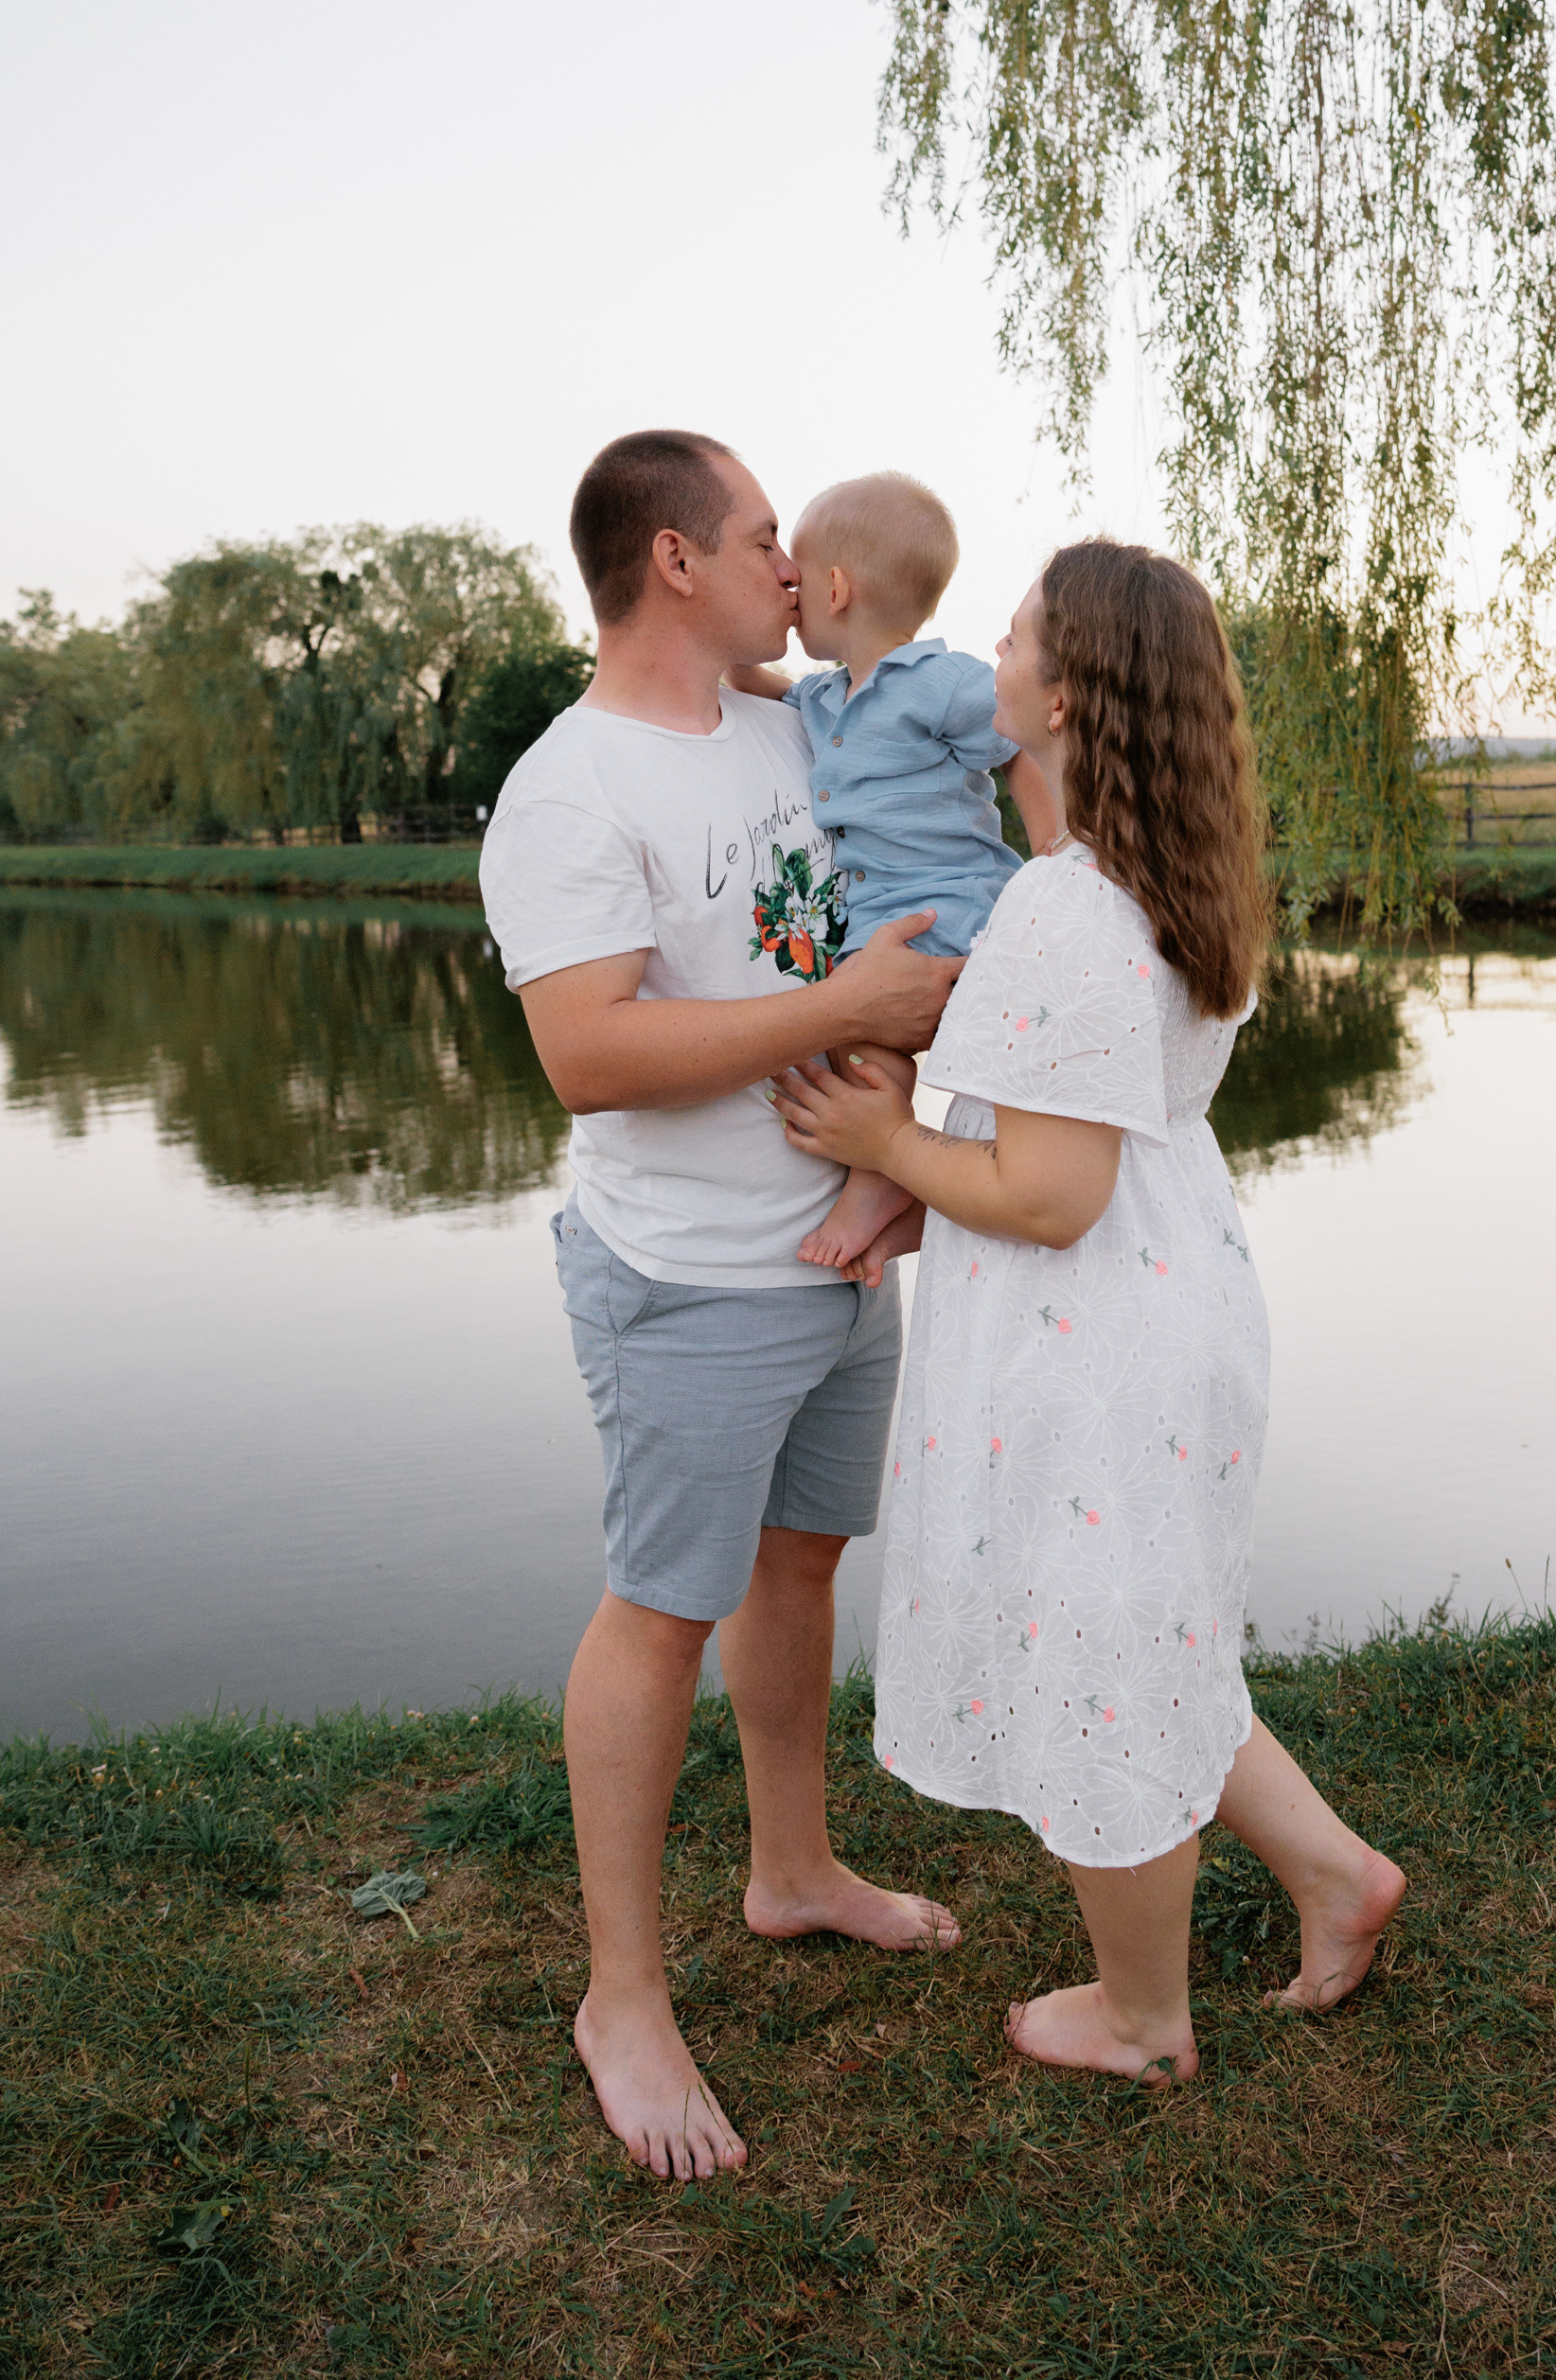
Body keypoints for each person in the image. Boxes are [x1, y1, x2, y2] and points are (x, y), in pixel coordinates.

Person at [769, 538, 1407, 2082]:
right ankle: (1340, 1875)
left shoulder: (1066, 909)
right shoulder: (1178, 879)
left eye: (1011, 638)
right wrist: (927, 1170)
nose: (987, 659)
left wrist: (881, 1146)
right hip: (1170, 1288)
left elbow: (1055, 1193)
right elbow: (1087, 1139)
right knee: (1144, 1629)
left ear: (1068, 692)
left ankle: (1143, 2020)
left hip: (1091, 1330)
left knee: (1103, 1661)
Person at [479, 429, 965, 2184]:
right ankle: (622, 1997)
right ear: (674, 559)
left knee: (801, 1565)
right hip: (689, 1285)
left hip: (841, 1250)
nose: (793, 560)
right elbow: (591, 1052)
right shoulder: (568, 791)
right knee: (661, 1610)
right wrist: (863, 1012)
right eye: (765, 533)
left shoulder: (788, 725)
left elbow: (923, 734)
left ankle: (791, 1871)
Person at [730, 469, 1056, 1272]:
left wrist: (1057, 861)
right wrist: (733, 637)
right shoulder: (825, 698)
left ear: (834, 588)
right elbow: (757, 682)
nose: (787, 589)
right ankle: (903, 1176)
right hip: (882, 912)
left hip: (948, 897)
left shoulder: (941, 683)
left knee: (864, 1029)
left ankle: (881, 1175)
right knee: (852, 1022)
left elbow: (1019, 745)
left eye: (794, 579)